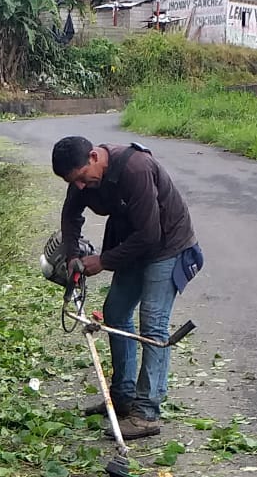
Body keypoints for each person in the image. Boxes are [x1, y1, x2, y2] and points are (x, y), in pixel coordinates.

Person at [52, 135, 202, 440]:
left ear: (94, 157)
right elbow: (70, 216)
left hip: (166, 245)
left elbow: (150, 235)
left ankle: (146, 413)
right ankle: (123, 397)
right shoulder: (83, 181)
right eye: (73, 182)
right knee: (116, 312)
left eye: (81, 177)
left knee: (153, 323)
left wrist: (103, 261)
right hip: (132, 243)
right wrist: (72, 256)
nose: (79, 186)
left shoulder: (136, 169)